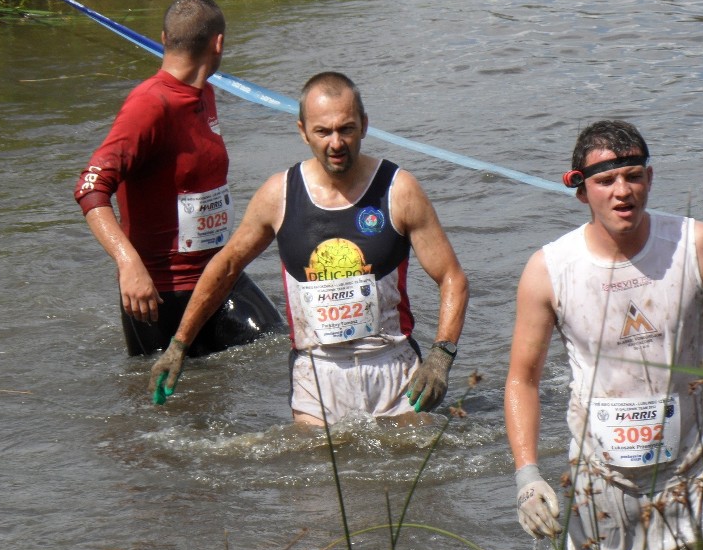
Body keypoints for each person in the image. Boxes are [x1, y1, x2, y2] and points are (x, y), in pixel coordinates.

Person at [504, 119, 703, 550]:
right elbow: (523, 379)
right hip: (600, 483)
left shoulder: (697, 246)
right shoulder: (548, 269)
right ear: (582, 191)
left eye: (633, 176)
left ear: (650, 178)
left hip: (696, 477)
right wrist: (527, 475)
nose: (622, 191)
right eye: (605, 181)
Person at [149, 71, 469, 424]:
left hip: (393, 368)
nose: (336, 143)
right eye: (323, 131)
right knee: (313, 473)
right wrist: (178, 346)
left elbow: (451, 277)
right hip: (316, 374)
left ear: (364, 125)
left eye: (346, 129)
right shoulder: (279, 195)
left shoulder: (399, 190)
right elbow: (226, 267)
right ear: (302, 131)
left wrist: (441, 357)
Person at [74, 0, 284, 358]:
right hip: (158, 294)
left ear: (164, 38)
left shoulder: (205, 92)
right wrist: (128, 264)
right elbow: (90, 188)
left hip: (218, 276)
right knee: (168, 407)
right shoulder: (149, 105)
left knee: (275, 348)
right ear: (219, 43)